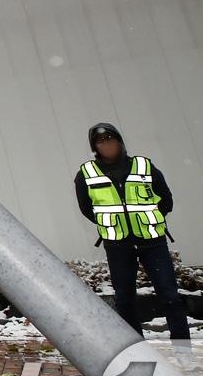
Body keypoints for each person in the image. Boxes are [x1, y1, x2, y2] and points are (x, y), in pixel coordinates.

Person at [74, 122, 190, 339]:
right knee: (125, 299)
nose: (106, 144)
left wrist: (148, 220)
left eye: (110, 139)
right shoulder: (86, 174)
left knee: (170, 296)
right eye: (100, 141)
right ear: (94, 147)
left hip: (152, 241)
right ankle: (138, 347)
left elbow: (166, 199)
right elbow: (86, 208)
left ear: (119, 141)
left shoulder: (143, 166)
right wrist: (110, 223)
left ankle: (183, 350)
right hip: (118, 245)